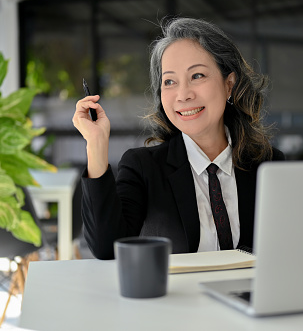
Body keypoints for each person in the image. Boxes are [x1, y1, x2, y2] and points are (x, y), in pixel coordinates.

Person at [72, 17, 285, 260]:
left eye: (197, 76)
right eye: (170, 81)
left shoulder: (268, 165)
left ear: (229, 85)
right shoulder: (143, 167)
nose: (183, 95)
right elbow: (105, 247)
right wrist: (96, 144)